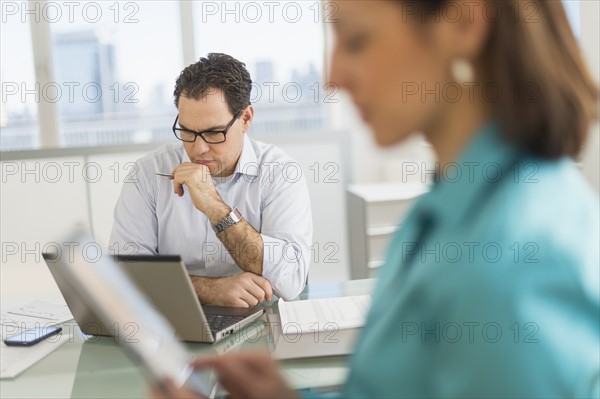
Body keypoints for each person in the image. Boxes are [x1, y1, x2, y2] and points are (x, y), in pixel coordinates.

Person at [151, 1, 599, 397]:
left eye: (358, 40)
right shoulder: (454, 203)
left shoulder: (514, 255)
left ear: (462, 24)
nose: (333, 76)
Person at [110, 53, 313, 307]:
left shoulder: (280, 173)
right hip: (176, 323)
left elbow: (291, 280)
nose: (198, 149)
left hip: (263, 324)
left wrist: (216, 208)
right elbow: (124, 276)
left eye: (213, 133)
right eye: (187, 131)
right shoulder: (148, 174)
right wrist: (209, 290)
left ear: (246, 119)